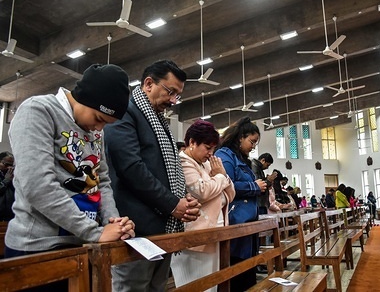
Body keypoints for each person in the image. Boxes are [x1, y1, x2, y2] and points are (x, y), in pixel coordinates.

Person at [5, 64, 136, 291]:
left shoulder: (95, 130)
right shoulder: (38, 110)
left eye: (106, 123)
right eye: (99, 118)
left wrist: (113, 223)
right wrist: (95, 233)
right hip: (38, 249)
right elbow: (38, 185)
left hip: (81, 244)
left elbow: (101, 181)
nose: (99, 127)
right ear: (86, 98)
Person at [104, 60, 201, 292]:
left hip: (162, 228)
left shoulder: (159, 121)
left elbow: (169, 170)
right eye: (171, 91)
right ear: (148, 84)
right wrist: (172, 205)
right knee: (132, 287)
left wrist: (184, 199)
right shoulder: (125, 113)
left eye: (177, 95)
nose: (173, 100)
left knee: (157, 287)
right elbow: (131, 168)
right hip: (136, 228)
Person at [171, 120, 235, 291]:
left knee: (210, 285)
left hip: (214, 231)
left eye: (213, 149)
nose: (211, 153)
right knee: (194, 285)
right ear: (192, 142)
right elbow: (201, 191)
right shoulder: (183, 162)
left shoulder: (206, 164)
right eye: (208, 148)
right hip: (194, 236)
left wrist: (221, 178)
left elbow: (230, 194)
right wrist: (221, 177)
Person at [214, 116, 267, 291]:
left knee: (248, 270)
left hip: (247, 222)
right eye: (252, 141)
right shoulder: (224, 156)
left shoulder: (241, 158)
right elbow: (225, 184)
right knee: (237, 269)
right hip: (235, 220)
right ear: (240, 137)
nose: (253, 146)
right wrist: (254, 186)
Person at [0, 151, 15, 221]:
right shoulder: (8, 177)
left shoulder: (12, 175)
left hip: (10, 217)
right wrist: (6, 180)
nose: (9, 168)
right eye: (6, 164)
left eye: (11, 165)